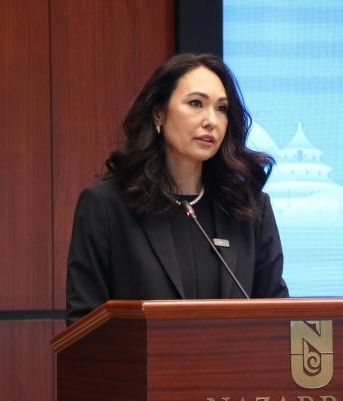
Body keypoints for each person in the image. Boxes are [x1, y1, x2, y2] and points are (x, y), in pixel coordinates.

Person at [66, 54, 288, 322]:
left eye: (221, 109)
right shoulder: (107, 206)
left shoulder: (249, 209)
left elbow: (279, 319)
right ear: (158, 113)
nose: (211, 120)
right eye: (196, 104)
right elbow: (84, 325)